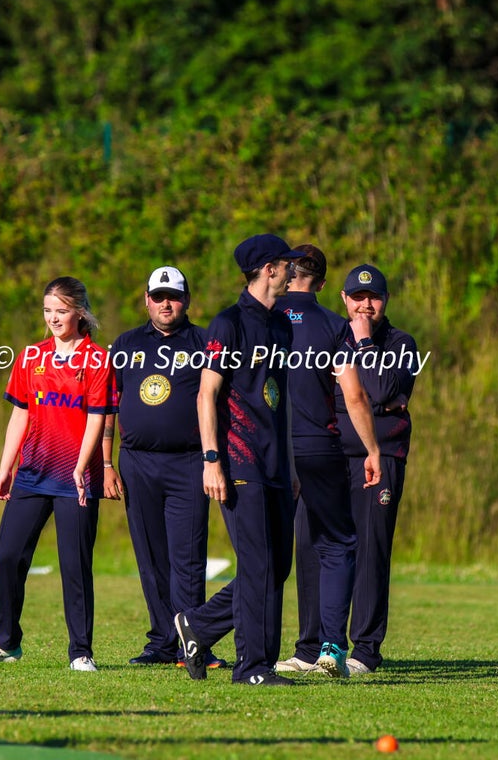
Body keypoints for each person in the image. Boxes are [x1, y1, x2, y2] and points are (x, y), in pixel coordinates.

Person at [0, 277, 115, 671]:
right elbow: (20, 414)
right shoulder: (31, 356)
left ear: (79, 311)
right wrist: (4, 468)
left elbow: (98, 418)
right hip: (31, 474)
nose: (53, 318)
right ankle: (5, 640)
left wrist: (82, 468)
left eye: (61, 311)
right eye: (48, 310)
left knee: (74, 566)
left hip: (75, 479)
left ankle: (81, 652)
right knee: (7, 557)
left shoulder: (97, 360)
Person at [174, 233, 305, 686]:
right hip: (237, 461)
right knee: (258, 567)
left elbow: (278, 402)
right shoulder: (227, 324)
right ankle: (253, 667)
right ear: (269, 269)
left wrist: (288, 468)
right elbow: (207, 395)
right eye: (287, 264)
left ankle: (198, 626)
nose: (292, 271)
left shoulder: (282, 326)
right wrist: (212, 460)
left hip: (274, 466)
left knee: (276, 568)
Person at [103, 267, 225, 669]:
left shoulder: (205, 341)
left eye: (173, 295)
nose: (166, 303)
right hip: (137, 463)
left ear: (186, 300)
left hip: (188, 462)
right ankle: (162, 641)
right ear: (147, 300)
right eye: (158, 296)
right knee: (151, 556)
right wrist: (105, 461)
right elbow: (106, 405)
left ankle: (194, 641)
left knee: (187, 557)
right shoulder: (126, 343)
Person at [275, 246, 382, 679]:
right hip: (318, 445)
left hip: (267, 450)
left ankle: (248, 644)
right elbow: (354, 395)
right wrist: (372, 449)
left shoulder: (257, 317)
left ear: (284, 275)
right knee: (337, 545)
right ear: (322, 284)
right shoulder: (335, 327)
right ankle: (331, 648)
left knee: (271, 551)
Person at [337, 264, 418, 675]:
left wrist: (365, 344)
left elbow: (385, 390)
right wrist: (371, 396)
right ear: (344, 300)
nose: (365, 304)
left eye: (373, 297)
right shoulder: (333, 338)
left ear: (385, 300)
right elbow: (333, 398)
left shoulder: (402, 343)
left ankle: (365, 650)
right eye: (357, 297)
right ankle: (318, 645)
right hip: (335, 457)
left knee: (372, 550)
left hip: (382, 457)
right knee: (328, 551)